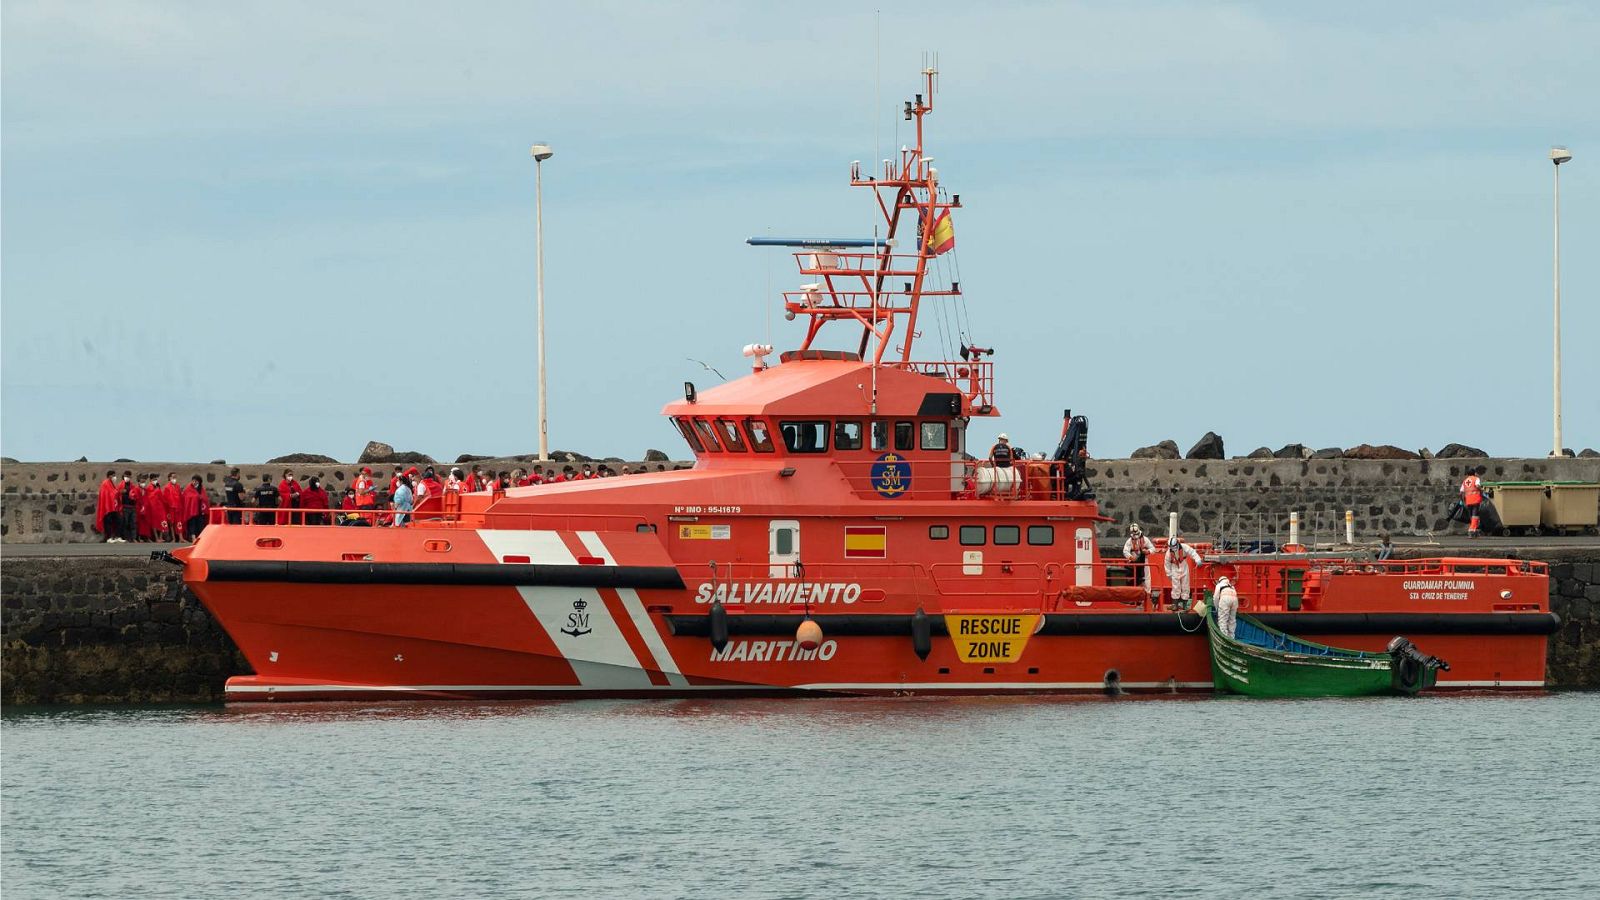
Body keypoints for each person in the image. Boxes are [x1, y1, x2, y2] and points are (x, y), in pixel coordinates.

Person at [1164, 533, 1203, 609]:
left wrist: (1198, 559)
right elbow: (1167, 563)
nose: (1174, 548)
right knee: (1175, 586)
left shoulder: (1184, 547)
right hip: (1174, 567)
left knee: (1185, 585)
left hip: (1184, 566)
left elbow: (1192, 552)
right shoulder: (1168, 553)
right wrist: (1169, 574)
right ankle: (1175, 604)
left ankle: (1185, 604)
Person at [1123, 524, 1156, 595]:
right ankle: (1134, 595)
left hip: (1144, 562)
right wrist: (1130, 557)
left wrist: (1148, 551)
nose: (1135, 536)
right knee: (1134, 579)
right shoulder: (1129, 541)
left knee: (1146, 578)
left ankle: (1147, 594)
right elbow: (1125, 551)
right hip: (1133, 563)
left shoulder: (1145, 539)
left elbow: (1153, 549)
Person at [181, 476, 211, 541]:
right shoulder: (188, 488)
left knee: (201, 523)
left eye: (196, 481)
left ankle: (200, 537)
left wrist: (201, 498)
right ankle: (193, 537)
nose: (194, 482)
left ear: (199, 481)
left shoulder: (201, 489)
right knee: (192, 523)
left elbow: (205, 498)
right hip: (191, 510)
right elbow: (186, 497)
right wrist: (197, 497)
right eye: (193, 481)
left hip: (200, 509)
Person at [95, 470, 120, 542]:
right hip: (107, 507)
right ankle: (108, 537)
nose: (115, 477)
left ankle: (115, 536)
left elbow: (113, 493)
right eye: (113, 475)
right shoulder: (105, 483)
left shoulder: (111, 483)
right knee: (107, 522)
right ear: (109, 476)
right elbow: (107, 494)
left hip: (112, 507)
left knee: (117, 521)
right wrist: (117, 492)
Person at [1460, 466, 1485, 537]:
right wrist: (1481, 490)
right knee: (1475, 515)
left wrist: (1462, 501)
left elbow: (1461, 492)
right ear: (1474, 473)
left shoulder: (1465, 481)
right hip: (1475, 499)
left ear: (1467, 474)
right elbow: (1477, 485)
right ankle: (1471, 530)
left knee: (1471, 515)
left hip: (1468, 500)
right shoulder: (1476, 479)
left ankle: (1475, 530)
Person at [119, 471, 140, 542]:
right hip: (124, 507)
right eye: (126, 476)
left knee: (133, 523)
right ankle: (125, 538)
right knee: (125, 523)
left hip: (132, 507)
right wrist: (121, 492)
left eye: (128, 476)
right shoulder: (121, 485)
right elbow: (117, 494)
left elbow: (136, 494)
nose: (127, 477)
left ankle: (133, 538)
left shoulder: (132, 485)